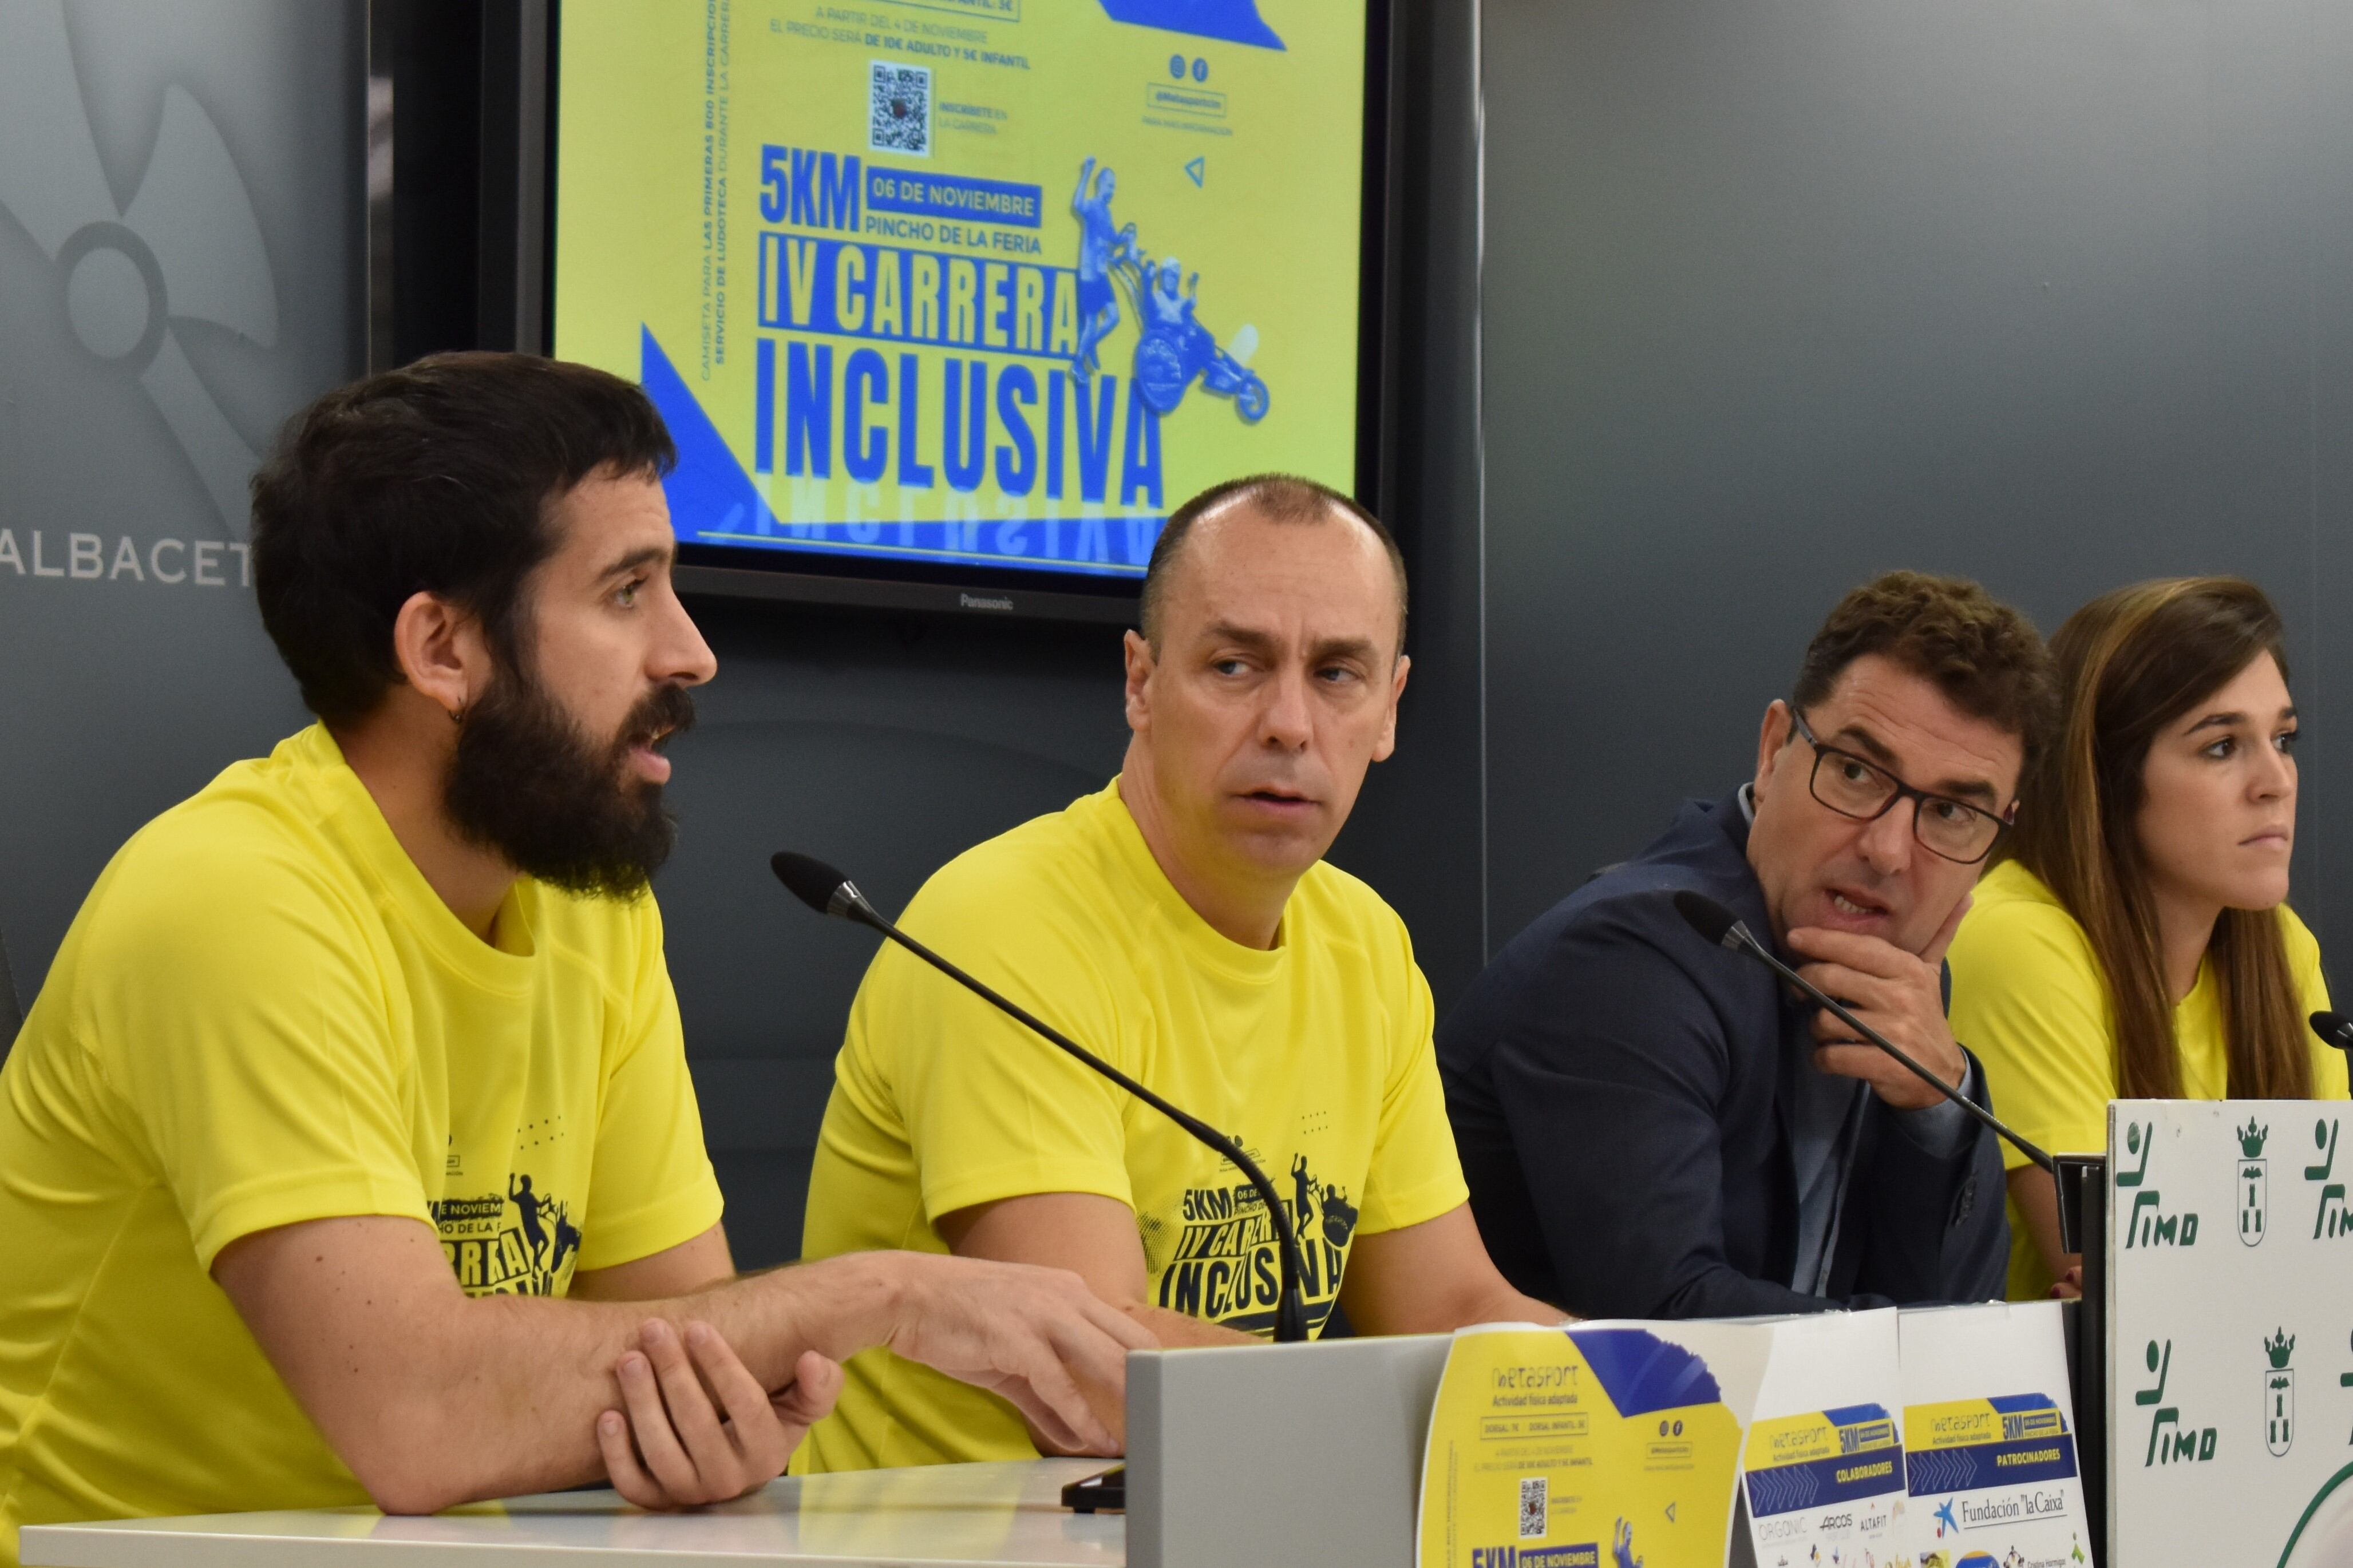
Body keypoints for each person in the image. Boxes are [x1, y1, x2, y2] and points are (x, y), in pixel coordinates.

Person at [0, 353, 1149, 1563]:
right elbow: (420, 1415)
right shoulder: (234, 899)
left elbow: (684, 1343)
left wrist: (714, 1418)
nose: (691, 651)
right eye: (624, 592)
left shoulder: (588, 908)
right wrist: (885, 1293)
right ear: (442, 647)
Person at [796, 474, 1563, 1472]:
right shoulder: (1009, 925)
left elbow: (1455, 1305)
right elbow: (1095, 1377)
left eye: (1337, 675)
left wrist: (1652, 1405)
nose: (1290, 723)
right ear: (1141, 682)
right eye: (1237, 665)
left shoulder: (1364, 943)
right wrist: (1445, 1413)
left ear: (1389, 710)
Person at [1439, 572, 2058, 1318]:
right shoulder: (1630, 959)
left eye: (1952, 813)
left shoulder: (1903, 985)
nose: (1889, 851)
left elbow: (1954, 1305)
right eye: (1856, 773)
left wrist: (1937, 1100)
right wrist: (1922, 1349)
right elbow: (1666, 1317)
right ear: (1771, 753)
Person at [1945, 577, 2350, 1300]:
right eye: (2222, 746)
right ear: (2104, 776)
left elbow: (2325, 1255)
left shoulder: (2282, 948)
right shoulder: (2017, 940)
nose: (2276, 781)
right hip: (2045, 1411)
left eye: (2282, 739)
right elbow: (2122, 1290)